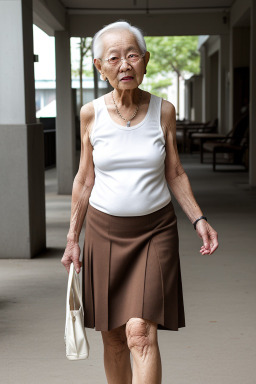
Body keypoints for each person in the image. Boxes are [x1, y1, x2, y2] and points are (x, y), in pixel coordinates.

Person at [61, 20, 218, 384]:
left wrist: (199, 219)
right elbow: (84, 178)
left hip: (154, 232)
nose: (124, 65)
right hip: (104, 233)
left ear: (145, 61)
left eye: (132, 55)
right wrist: (72, 238)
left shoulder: (163, 111)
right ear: (100, 67)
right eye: (113, 58)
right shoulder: (91, 114)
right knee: (114, 337)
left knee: (139, 333)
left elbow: (175, 172)